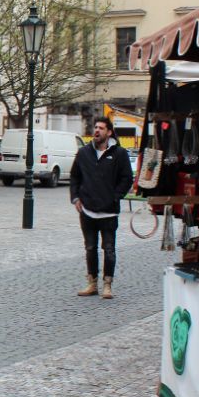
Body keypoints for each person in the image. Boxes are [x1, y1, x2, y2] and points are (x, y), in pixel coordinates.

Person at [70, 116, 134, 299]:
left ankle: (107, 285)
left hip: (109, 211)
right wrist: (76, 198)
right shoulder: (83, 152)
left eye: (101, 128)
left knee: (109, 249)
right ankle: (92, 283)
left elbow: (127, 178)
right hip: (88, 210)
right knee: (90, 247)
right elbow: (75, 177)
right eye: (95, 127)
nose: (97, 131)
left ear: (109, 132)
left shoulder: (119, 153)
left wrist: (116, 196)